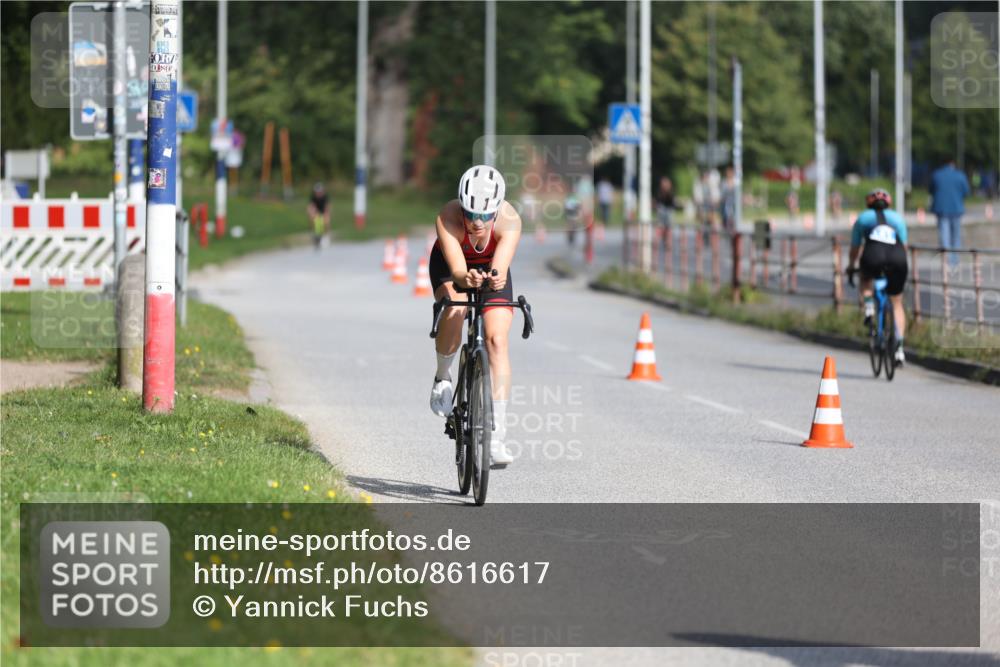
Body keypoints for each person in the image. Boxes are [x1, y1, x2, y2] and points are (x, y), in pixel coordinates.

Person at [428, 165, 522, 466]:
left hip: (489, 267)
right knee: (455, 309)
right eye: (470, 213)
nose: (476, 222)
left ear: (497, 209)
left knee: (496, 341)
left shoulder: (510, 221)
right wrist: (464, 279)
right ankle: (443, 376)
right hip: (451, 265)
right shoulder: (447, 217)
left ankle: (497, 439)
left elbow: (501, 266)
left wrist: (494, 278)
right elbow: (456, 269)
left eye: (484, 215)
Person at [847, 188, 909, 366]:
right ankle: (899, 350)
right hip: (897, 257)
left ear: (869, 203)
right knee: (897, 303)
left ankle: (868, 307)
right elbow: (904, 247)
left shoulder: (863, 218)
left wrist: (851, 267)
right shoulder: (898, 219)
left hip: (873, 255)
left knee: (865, 280)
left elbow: (855, 249)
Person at [929, 157, 970, 264]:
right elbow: (966, 192)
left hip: (941, 209)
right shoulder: (960, 175)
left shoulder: (936, 175)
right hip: (956, 209)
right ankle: (955, 260)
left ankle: (946, 259)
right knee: (956, 236)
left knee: (944, 236)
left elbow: (931, 190)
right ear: (953, 164)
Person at [307, 182, 330, 250]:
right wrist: (311, 212)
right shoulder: (313, 198)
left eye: (319, 191)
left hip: (323, 212)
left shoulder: (325, 197)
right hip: (317, 213)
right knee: (312, 218)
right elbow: (311, 206)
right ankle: (314, 234)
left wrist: (326, 214)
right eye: (317, 192)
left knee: (326, 221)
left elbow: (327, 207)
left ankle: (326, 236)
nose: (318, 193)